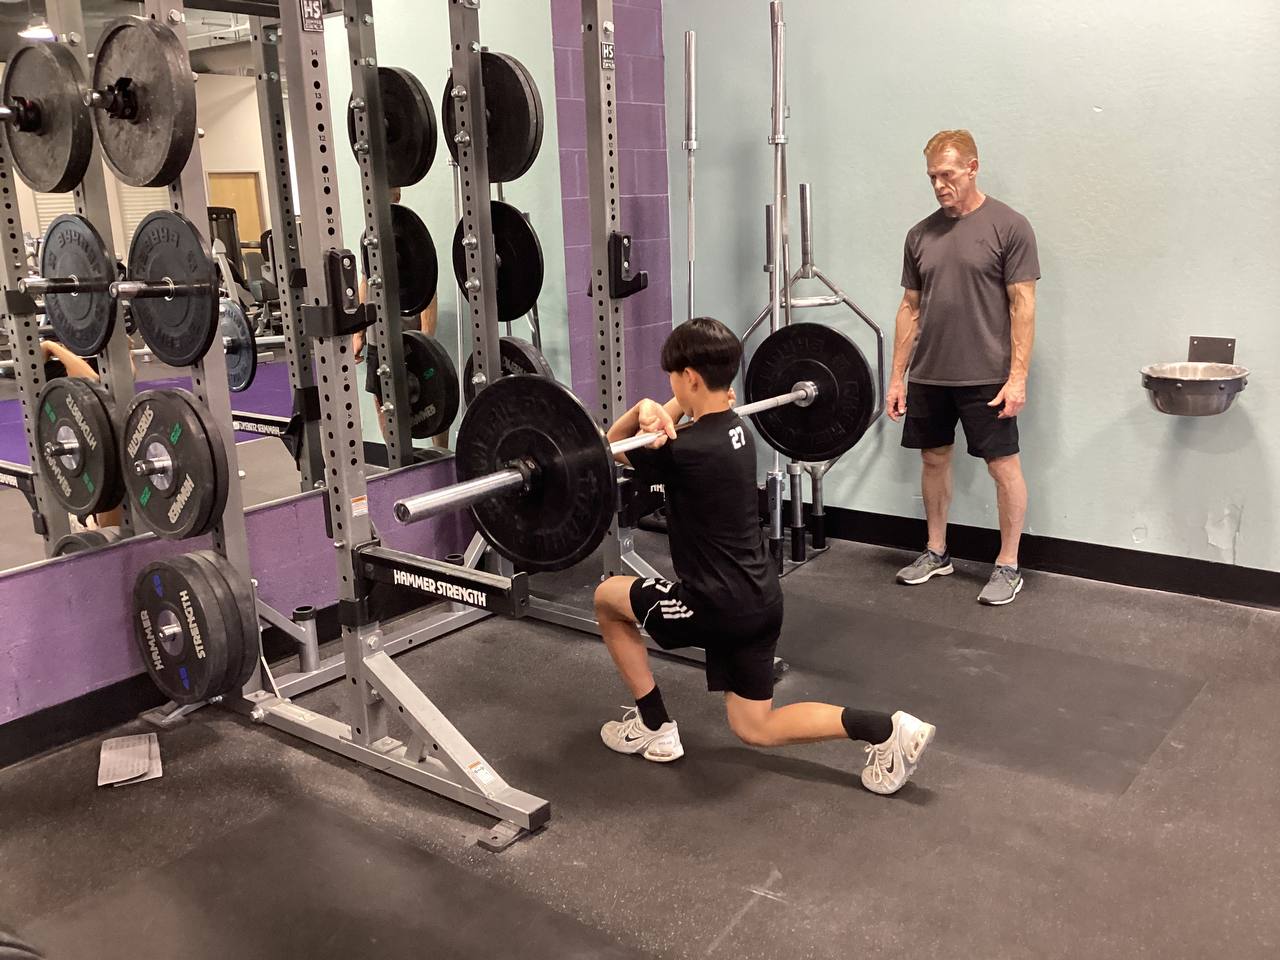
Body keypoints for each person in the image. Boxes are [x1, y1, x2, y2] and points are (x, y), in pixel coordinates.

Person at [593, 317, 936, 796]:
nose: (670, 385)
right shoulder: (737, 430)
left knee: (607, 597)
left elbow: (610, 446)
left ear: (689, 377)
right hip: (760, 599)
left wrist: (642, 408)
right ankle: (885, 730)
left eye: (672, 376)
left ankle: (653, 725)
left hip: (711, 605)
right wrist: (668, 410)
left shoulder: (683, 450)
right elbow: (691, 418)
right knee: (755, 726)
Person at [886, 129, 1039, 606]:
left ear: (972, 168)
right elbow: (909, 308)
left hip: (987, 376)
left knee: (1003, 466)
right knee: (933, 459)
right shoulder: (919, 235)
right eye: (932, 176)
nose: (939, 185)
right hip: (929, 374)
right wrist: (897, 377)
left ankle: (1008, 564)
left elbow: (1023, 305)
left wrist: (1018, 377)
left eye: (947, 174)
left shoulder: (1009, 226)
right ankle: (936, 552)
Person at [351, 186, 446, 447]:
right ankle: (398, 459)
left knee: (433, 397)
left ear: (397, 196)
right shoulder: (367, 236)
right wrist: (359, 331)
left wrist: (426, 338)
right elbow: (365, 281)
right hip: (376, 337)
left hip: (409, 335)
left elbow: (429, 287)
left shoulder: (412, 232)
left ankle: (442, 455)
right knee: (383, 401)